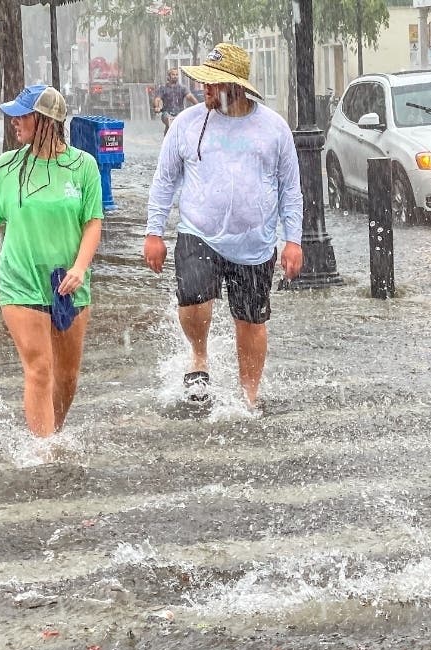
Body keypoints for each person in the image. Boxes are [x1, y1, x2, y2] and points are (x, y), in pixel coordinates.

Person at [144, 43, 303, 409]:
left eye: (214, 83)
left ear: (237, 86)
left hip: (255, 243)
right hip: (199, 232)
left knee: (250, 322)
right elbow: (164, 180)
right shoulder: (187, 124)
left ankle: (249, 395)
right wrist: (154, 232)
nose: (206, 89)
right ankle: (199, 358)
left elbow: (290, 189)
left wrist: (293, 240)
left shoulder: (273, 129)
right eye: (205, 82)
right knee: (194, 299)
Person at [0, 85, 104, 437]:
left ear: (47, 121)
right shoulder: (8, 166)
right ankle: (43, 450)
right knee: (39, 368)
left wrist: (80, 267)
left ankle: (53, 432)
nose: (15, 122)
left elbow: (93, 222)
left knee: (66, 376)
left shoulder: (83, 167)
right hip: (19, 281)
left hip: (68, 284)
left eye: (23, 115)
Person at [152, 68, 198, 136]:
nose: (175, 76)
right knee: (170, 123)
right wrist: (156, 107)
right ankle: (169, 142)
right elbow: (157, 99)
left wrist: (198, 105)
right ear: (168, 76)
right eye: (173, 74)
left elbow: (190, 97)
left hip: (180, 113)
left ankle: (169, 141)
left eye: (177, 74)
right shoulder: (163, 88)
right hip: (166, 113)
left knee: (176, 126)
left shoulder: (182, 88)